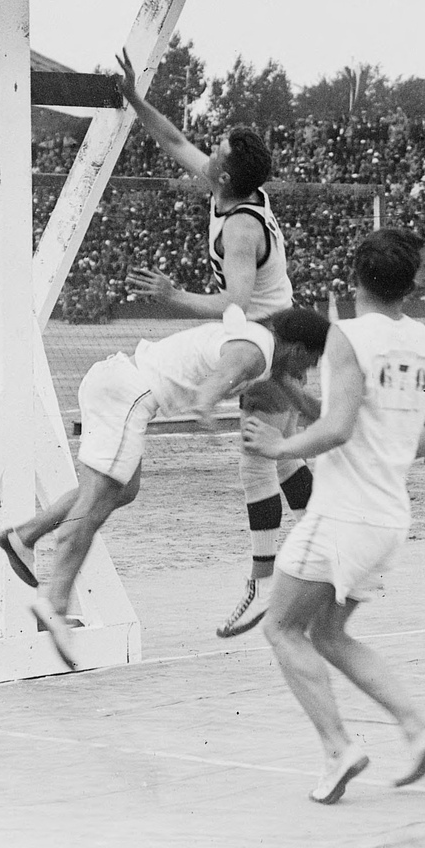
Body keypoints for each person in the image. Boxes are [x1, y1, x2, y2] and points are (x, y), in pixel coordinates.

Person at [242, 228, 425, 803]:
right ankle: (419, 729)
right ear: (413, 282)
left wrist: (278, 449)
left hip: (343, 515)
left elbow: (338, 429)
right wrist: (395, 450)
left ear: (356, 278)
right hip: (389, 518)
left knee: (280, 628)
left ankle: (339, 748)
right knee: (329, 633)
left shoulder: (346, 334)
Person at [0, 306, 329, 668]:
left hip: (114, 384)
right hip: (129, 395)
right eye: (313, 360)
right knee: (95, 504)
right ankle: (55, 604)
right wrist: (205, 408)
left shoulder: (264, 351)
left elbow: (302, 402)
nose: (309, 370)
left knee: (123, 490)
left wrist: (353, 418)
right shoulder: (254, 352)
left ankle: (25, 535)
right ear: (298, 349)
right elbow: (219, 378)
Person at [113, 48, 315, 640]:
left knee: (259, 460)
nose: (209, 148)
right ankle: (332, 547)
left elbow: (237, 304)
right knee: (283, 455)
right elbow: (175, 140)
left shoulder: (243, 227)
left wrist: (174, 297)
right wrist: (134, 99)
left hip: (272, 340)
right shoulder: (230, 189)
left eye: (218, 147)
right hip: (274, 335)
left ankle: (267, 584)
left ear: (224, 173)